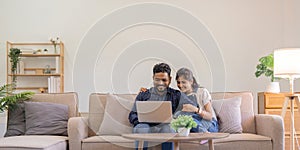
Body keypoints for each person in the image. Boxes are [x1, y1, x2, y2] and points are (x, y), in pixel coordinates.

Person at [128, 63, 197, 150]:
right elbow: (132, 114)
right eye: (157, 80)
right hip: (145, 126)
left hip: (166, 127)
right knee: (141, 128)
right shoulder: (144, 95)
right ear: (153, 78)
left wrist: (176, 117)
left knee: (169, 129)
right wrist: (141, 120)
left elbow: (193, 107)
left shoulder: (176, 95)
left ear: (170, 79)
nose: (160, 83)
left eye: (164, 80)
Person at [175, 67, 219, 133]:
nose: (180, 85)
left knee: (188, 119)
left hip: (209, 124)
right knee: (180, 118)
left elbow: (209, 116)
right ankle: (202, 133)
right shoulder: (180, 96)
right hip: (192, 125)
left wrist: (195, 109)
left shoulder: (202, 92)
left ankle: (204, 134)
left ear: (191, 81)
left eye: (183, 82)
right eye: (178, 82)